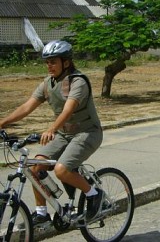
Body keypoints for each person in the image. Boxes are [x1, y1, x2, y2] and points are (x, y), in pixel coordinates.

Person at [0, 40, 104, 226]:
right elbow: (27, 107)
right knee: (35, 167)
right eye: (47, 62)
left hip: (87, 133)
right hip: (64, 134)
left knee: (61, 169)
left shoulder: (78, 82)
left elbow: (68, 110)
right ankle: (42, 213)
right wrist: (3, 122)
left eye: (53, 61)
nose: (49, 66)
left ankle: (94, 194)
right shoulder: (48, 84)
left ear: (66, 62)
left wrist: (51, 129)